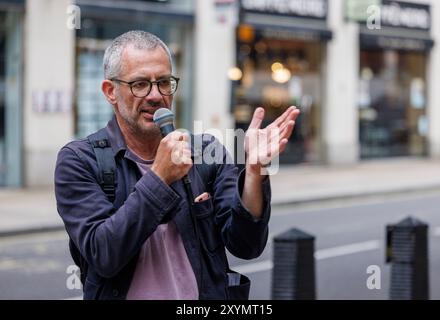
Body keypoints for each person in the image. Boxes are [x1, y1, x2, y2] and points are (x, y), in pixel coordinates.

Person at [55, 30, 300, 300]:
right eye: (139, 84)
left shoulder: (206, 152)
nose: (155, 95)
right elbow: (103, 255)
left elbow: (247, 245)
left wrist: (254, 172)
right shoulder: (79, 160)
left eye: (163, 82)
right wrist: (159, 177)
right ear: (110, 91)